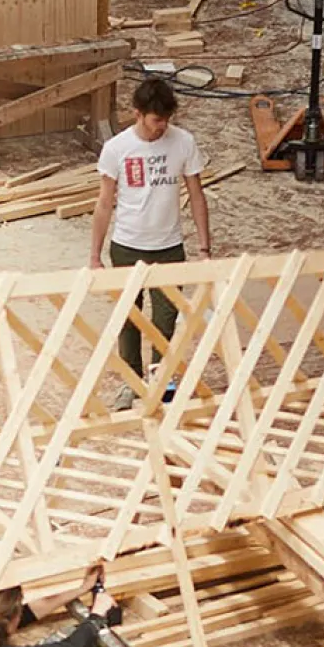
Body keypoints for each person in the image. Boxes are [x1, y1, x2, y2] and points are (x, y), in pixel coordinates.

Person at [91, 77, 212, 409]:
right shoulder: (116, 148)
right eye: (156, 120)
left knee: (166, 317)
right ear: (137, 114)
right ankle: (131, 382)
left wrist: (204, 249)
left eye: (166, 120)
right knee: (128, 316)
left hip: (169, 245)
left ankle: (162, 379)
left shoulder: (183, 142)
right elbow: (104, 203)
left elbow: (197, 196)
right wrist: (95, 256)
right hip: (127, 244)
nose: (162, 127)